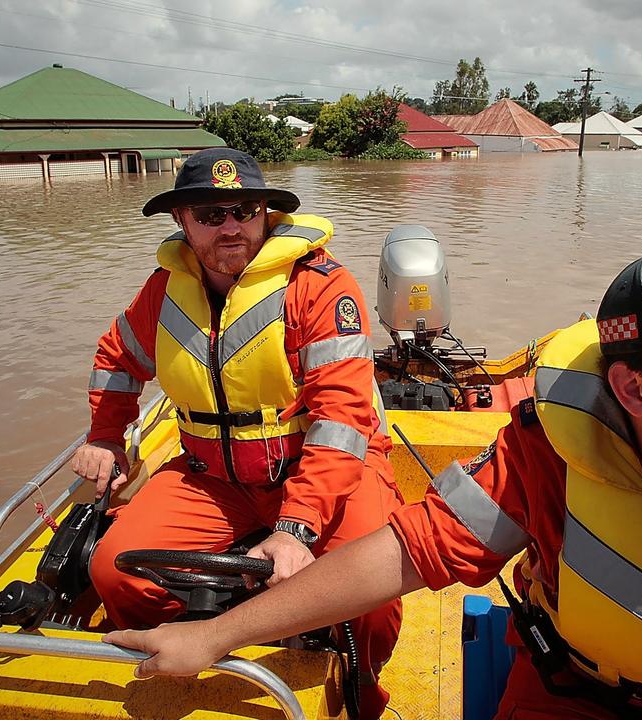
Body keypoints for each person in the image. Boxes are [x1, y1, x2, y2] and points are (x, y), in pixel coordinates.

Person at [105, 246, 642, 719]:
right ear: (630, 389)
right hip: (579, 704)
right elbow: (411, 553)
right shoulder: (548, 452)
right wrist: (219, 637)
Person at [72, 147, 403, 718]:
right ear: (182, 221)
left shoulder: (321, 286)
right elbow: (117, 357)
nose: (230, 227)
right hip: (213, 478)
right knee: (115, 571)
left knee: (373, 601)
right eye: (210, 214)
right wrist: (105, 436)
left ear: (265, 214)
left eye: (244, 211)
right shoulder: (164, 291)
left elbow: (342, 421)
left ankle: (361, 692)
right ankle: (175, 670)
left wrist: (297, 528)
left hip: (323, 469)